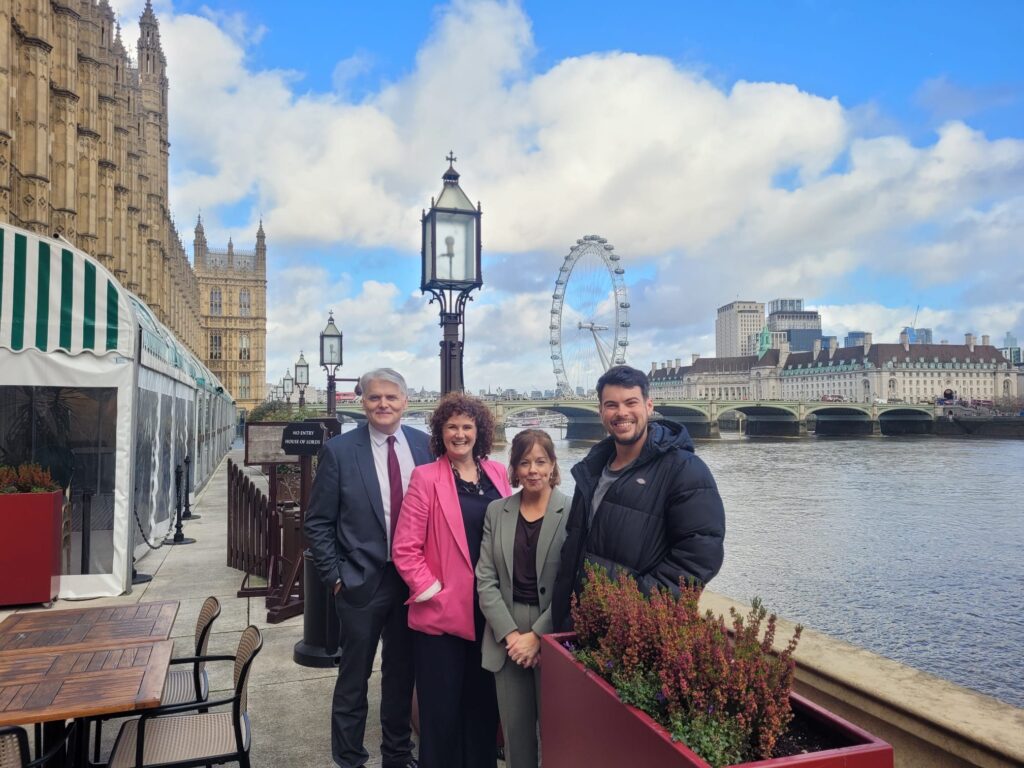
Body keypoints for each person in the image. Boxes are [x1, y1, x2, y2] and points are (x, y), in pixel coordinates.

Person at [305, 368, 430, 768]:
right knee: (354, 679)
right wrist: (335, 577)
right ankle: (350, 758)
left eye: (391, 398)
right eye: (375, 398)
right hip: (360, 582)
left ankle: (397, 755)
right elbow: (318, 521)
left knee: (401, 675)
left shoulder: (425, 446)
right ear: (363, 402)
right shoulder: (341, 451)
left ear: (405, 402)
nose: (383, 405)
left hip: (412, 584)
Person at [551, 365, 726, 631]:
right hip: (581, 625)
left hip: (634, 631)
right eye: (611, 405)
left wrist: (632, 609)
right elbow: (575, 546)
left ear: (649, 406)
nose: (621, 413)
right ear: (600, 412)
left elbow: (700, 556)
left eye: (631, 402)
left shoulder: (684, 469)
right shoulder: (591, 470)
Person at [392, 392, 512, 768]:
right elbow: (405, 549)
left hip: (489, 612)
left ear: (480, 430)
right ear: (440, 432)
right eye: (451, 427)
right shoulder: (426, 478)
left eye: (467, 426)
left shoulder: (497, 473)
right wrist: (434, 591)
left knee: (483, 710)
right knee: (440, 714)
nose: (459, 434)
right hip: (443, 615)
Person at [476, 429, 569, 768]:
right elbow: (485, 579)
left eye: (541, 462)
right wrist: (512, 635)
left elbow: (571, 583)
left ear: (553, 465)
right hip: (507, 634)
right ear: (513, 469)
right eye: (525, 462)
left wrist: (538, 636)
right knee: (515, 736)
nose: (533, 470)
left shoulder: (572, 511)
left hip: (553, 631)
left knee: (557, 733)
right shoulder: (496, 511)